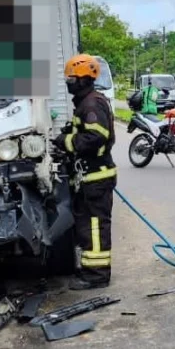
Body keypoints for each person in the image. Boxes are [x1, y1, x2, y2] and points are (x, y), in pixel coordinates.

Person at [52, 54, 117, 290]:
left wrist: (65, 141)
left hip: (95, 177)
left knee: (95, 228)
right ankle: (91, 268)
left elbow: (96, 137)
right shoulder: (86, 102)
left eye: (71, 79)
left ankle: (97, 275)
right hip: (90, 177)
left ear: (82, 79)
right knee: (86, 226)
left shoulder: (91, 104)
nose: (68, 83)